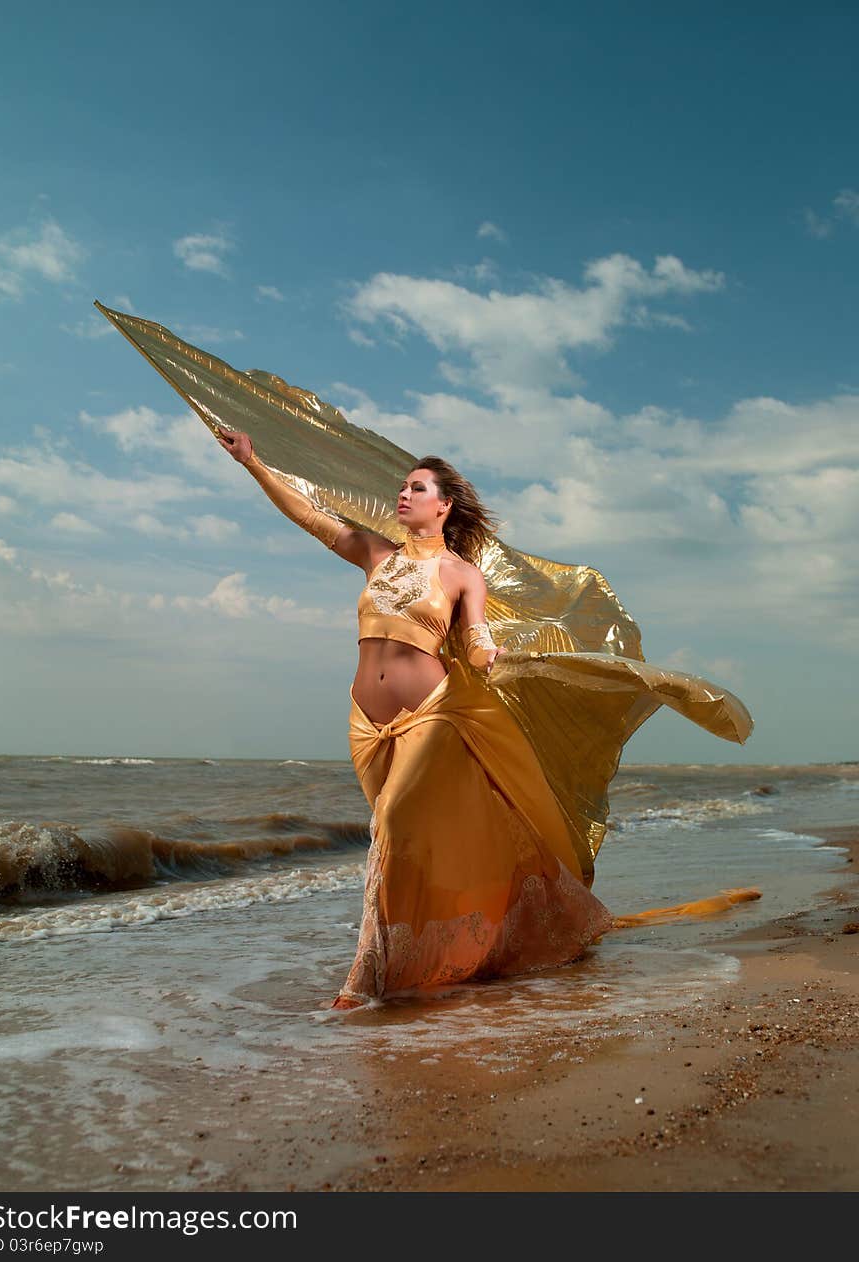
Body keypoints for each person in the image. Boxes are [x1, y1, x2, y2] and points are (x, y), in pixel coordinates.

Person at [95, 300, 759, 1013]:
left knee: (392, 827)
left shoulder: (460, 575)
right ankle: (458, 951)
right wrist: (254, 463)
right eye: (403, 486)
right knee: (412, 840)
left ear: (444, 505)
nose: (402, 494)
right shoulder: (376, 554)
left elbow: (472, 639)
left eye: (416, 488)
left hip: (433, 713)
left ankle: (369, 978)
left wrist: (488, 649)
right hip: (364, 723)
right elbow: (312, 516)